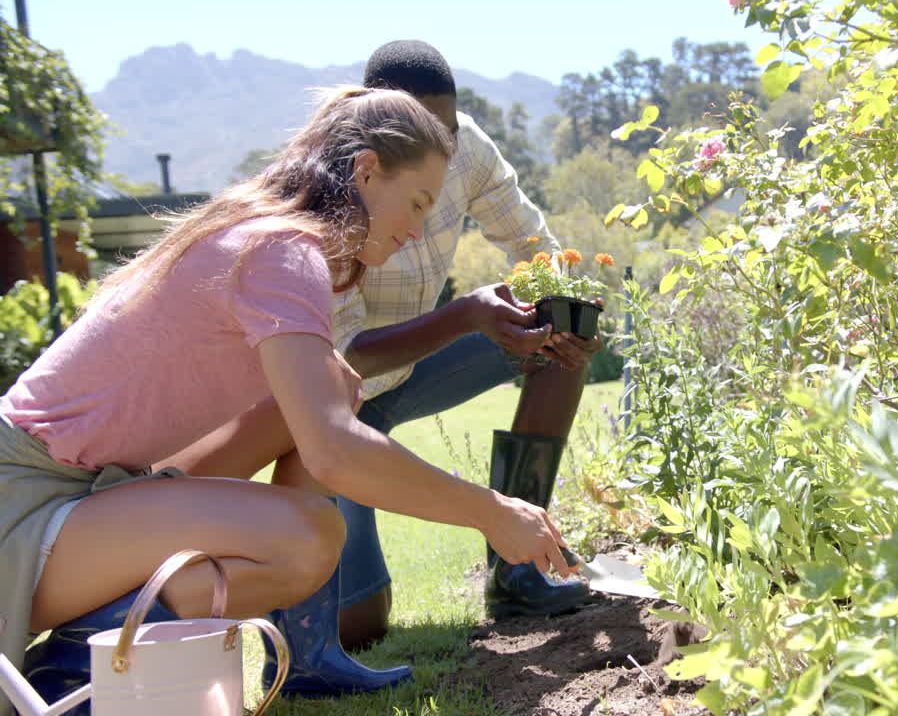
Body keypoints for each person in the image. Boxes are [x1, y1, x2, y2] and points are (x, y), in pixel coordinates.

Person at [0, 86, 574, 716]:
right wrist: (491, 511)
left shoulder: (274, 239)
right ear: (365, 171)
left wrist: (462, 318)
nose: (417, 230)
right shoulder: (282, 250)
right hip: (23, 504)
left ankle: (306, 658)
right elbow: (332, 452)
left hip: (91, 490)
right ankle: (73, 671)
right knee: (307, 538)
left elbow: (323, 408)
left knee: (334, 386)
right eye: (416, 203)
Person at [158, 38, 602, 695]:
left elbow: (534, 243)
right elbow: (333, 363)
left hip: (418, 367)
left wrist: (560, 304)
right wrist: (464, 315)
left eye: (447, 133)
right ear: (372, 138)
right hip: (337, 400)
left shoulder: (466, 148)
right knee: (361, 623)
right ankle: (229, 614)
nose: (443, 156)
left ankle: (522, 573)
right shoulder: (318, 200)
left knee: (558, 348)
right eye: (424, 136)